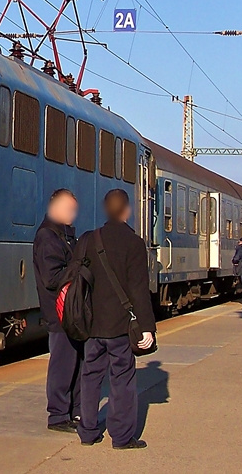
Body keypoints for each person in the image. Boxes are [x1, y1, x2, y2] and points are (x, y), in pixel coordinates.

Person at [76, 189, 156, 450]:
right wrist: (147, 328)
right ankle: (121, 437)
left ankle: (87, 432)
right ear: (126, 210)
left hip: (93, 325)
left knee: (90, 378)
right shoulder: (134, 243)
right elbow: (139, 290)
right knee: (121, 380)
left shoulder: (89, 239)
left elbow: (77, 282)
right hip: (121, 326)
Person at [32, 188, 83, 433]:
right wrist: (80, 269)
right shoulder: (48, 236)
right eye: (68, 209)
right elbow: (52, 277)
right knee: (63, 363)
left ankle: (74, 411)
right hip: (60, 312)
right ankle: (58, 415)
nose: (73, 214)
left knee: (75, 362)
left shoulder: (64, 235)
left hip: (70, 311)